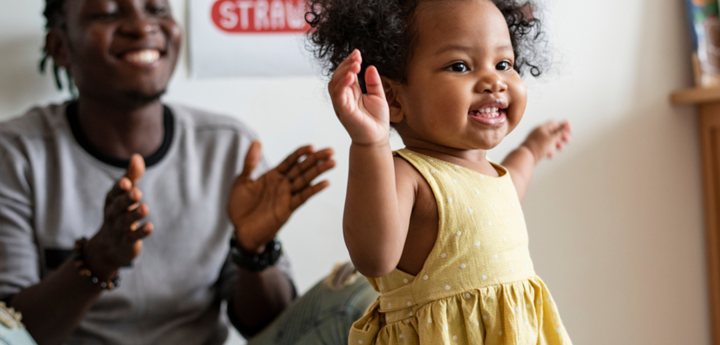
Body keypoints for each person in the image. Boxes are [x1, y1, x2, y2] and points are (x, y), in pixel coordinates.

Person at [0, 0, 377, 344]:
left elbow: (272, 327)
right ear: (60, 47)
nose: (142, 26)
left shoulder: (228, 146)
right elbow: (14, 330)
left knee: (364, 296)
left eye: (157, 9)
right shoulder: (16, 153)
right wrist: (96, 260)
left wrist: (253, 251)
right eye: (108, 13)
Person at [307, 0, 574, 343]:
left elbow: (511, 187)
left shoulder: (490, 176)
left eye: (503, 63)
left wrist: (532, 149)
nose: (494, 80)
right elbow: (374, 257)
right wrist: (370, 144)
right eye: (460, 66)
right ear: (393, 99)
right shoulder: (409, 174)